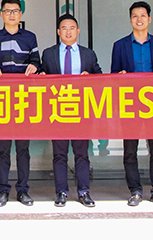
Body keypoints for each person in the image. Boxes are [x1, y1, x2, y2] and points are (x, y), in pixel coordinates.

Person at [111, 1, 153, 207]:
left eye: (143, 15)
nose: (139, 19)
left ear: (149, 19)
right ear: (130, 20)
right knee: (130, 150)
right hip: (130, 104)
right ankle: (135, 191)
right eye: (135, 16)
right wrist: (119, 76)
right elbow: (113, 75)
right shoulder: (120, 45)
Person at [0, 0, 40, 207]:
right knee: (3, 149)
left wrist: (35, 67)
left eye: (15, 11)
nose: (11, 14)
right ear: (1, 14)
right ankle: (3, 190)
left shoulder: (30, 38)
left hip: (24, 100)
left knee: (23, 148)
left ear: (21, 14)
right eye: (8, 11)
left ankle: (23, 190)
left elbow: (37, 62)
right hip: (2, 100)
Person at [40, 14, 101, 208]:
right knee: (59, 154)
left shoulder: (88, 54)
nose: (68, 32)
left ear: (78, 31)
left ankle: (84, 192)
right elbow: (42, 77)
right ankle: (61, 192)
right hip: (57, 111)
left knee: (81, 153)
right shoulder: (48, 54)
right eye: (64, 28)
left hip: (81, 110)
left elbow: (100, 78)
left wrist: (90, 77)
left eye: (72, 28)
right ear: (58, 32)